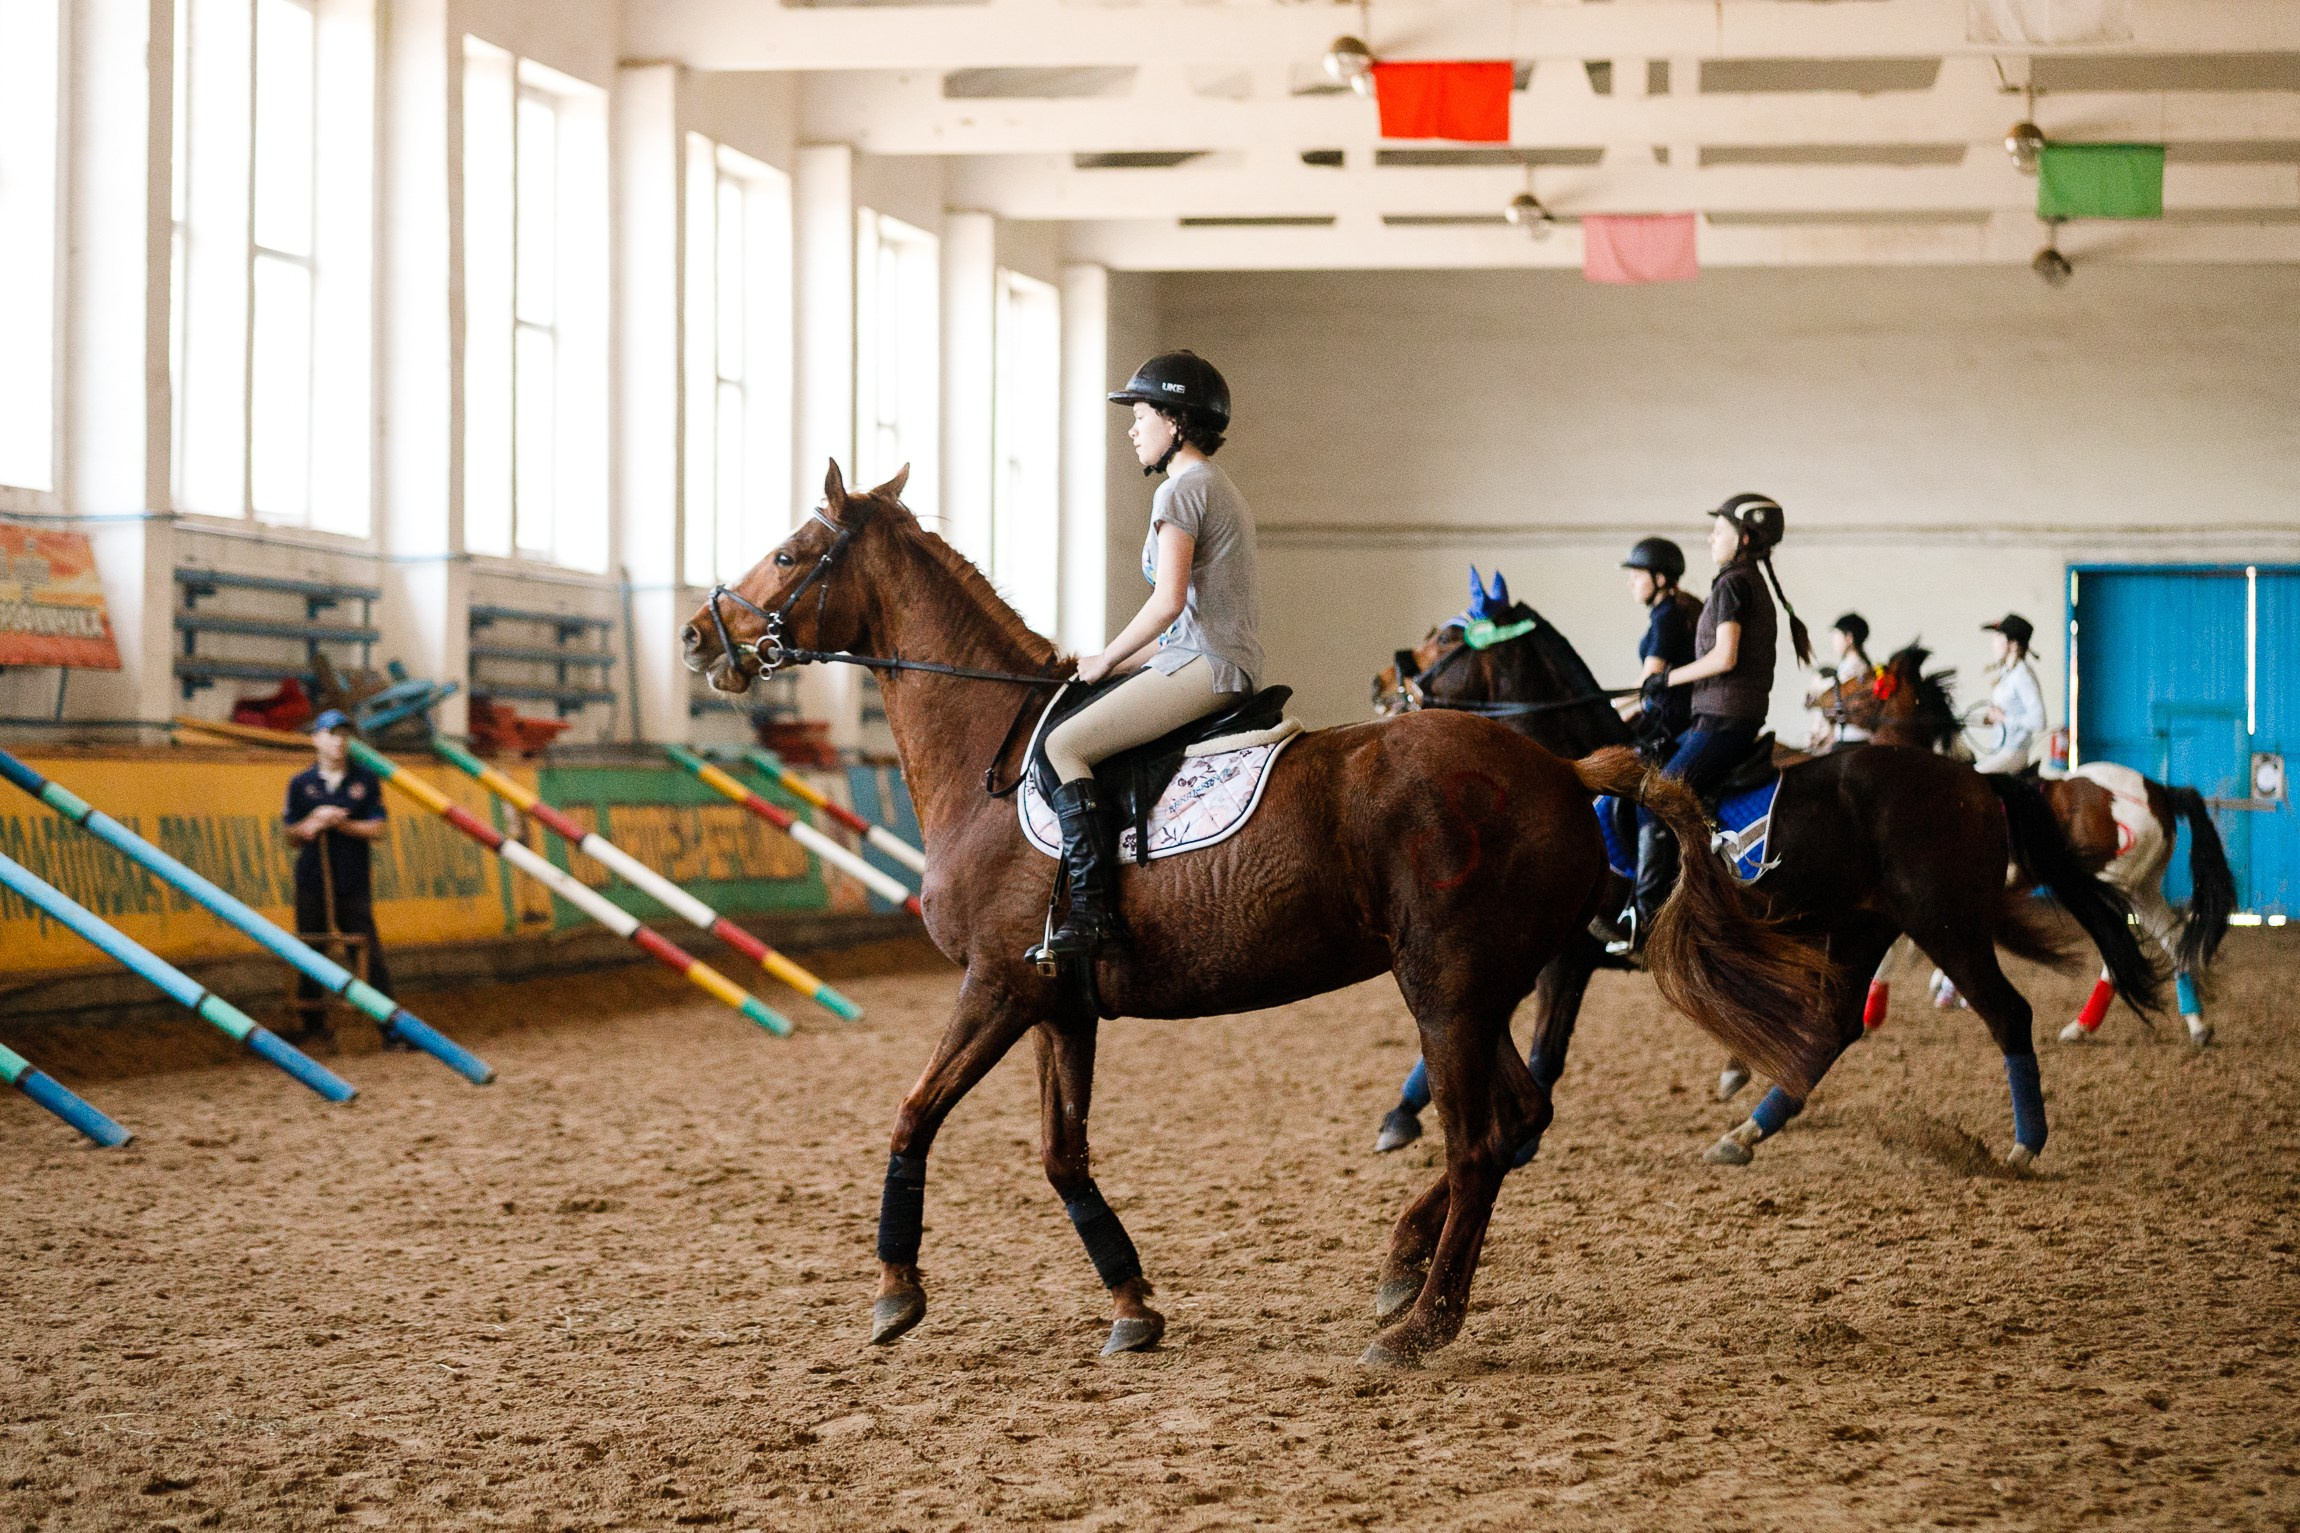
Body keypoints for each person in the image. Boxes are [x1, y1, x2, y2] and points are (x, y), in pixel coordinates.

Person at [1030, 351, 1264, 963]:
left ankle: (1093, 912)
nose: (1133, 429)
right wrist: (1103, 667)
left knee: (1063, 745)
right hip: (1208, 658)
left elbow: (1165, 605)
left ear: (1177, 422)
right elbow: (1180, 624)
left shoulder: (1180, 492)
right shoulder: (1217, 488)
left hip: (1205, 666)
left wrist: (1107, 657)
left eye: (1141, 415)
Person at [1617, 493, 1812, 953]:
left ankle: (1643, 919)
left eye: (1719, 530)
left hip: (1723, 718)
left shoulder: (1731, 585)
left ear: (1743, 538)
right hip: (1724, 716)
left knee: (1656, 798)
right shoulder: (1746, 581)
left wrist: (1664, 680)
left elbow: (1724, 658)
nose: (1710, 537)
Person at [284, 710, 394, 1043]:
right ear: (316, 739)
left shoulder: (365, 781)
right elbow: (291, 835)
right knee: (310, 951)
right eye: (332, 734)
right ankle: (313, 1025)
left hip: (352, 880)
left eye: (344, 735)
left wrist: (341, 824)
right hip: (312, 879)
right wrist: (314, 821)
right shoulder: (300, 785)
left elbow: (378, 828)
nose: (339, 741)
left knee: (367, 953)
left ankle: (390, 1027)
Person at [1612, 537, 1703, 747]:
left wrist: (1611, 706)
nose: (1630, 583)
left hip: (1670, 718)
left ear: (1659, 579)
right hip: (1664, 711)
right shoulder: (1666, 612)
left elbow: (1651, 676)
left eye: (1636, 576)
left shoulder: (1667, 615)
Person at [1974, 613, 2046, 773]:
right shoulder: (2007, 672)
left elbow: (2039, 721)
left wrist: (2004, 719)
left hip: (2014, 752)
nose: (1993, 643)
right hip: (1999, 750)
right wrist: (1993, 719)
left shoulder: (2022, 675)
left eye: (1998, 637)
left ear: (2013, 644)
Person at [1810, 611, 1879, 751]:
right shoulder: (1850, 665)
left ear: (1849, 638)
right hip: (1847, 738)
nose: (1833, 642)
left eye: (1836, 636)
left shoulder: (1855, 667)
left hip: (1852, 739)